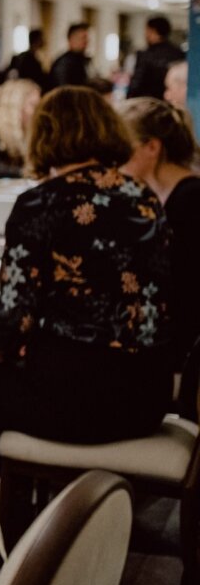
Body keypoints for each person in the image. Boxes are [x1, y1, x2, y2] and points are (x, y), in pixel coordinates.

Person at [0, 86, 171, 467]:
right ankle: (29, 488)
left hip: (76, 402)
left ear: (45, 134)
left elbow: (12, 319)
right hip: (148, 395)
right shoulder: (143, 196)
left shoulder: (41, 204)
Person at [119, 98, 200, 392]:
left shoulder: (189, 202)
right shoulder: (166, 197)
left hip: (182, 355)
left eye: (122, 147)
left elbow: (182, 295)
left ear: (152, 147)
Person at [128, 16, 185, 100]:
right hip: (173, 102)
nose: (145, 34)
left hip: (148, 103)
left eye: (147, 30)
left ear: (153, 31)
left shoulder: (145, 55)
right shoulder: (179, 53)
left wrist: (129, 99)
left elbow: (136, 83)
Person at [48, 22, 95, 89]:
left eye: (87, 38)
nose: (87, 41)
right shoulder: (63, 63)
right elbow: (63, 91)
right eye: (83, 38)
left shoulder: (82, 60)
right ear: (71, 39)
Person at [4, 28, 49, 94]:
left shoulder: (35, 56)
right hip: (28, 92)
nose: (44, 41)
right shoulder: (28, 58)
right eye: (42, 38)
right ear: (37, 40)